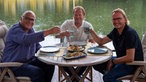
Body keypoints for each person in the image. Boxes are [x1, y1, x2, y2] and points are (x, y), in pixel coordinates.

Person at [2, 10, 60, 82]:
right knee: (37, 72)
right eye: (27, 18)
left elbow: (36, 45)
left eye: (32, 19)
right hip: (14, 66)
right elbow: (26, 39)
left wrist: (49, 53)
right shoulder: (15, 30)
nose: (29, 21)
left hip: (29, 61)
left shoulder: (30, 29)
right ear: (21, 19)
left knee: (49, 64)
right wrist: (49, 31)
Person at [89, 8, 144, 82]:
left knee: (107, 78)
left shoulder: (130, 33)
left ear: (125, 19)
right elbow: (101, 41)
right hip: (121, 60)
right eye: (114, 19)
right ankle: (111, 74)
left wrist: (113, 61)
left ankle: (110, 75)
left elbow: (130, 58)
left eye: (119, 19)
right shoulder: (115, 31)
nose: (116, 21)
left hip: (132, 65)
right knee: (97, 63)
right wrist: (91, 31)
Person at [56, 6, 94, 81]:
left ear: (84, 16)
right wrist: (63, 33)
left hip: (82, 50)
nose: (77, 17)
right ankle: (76, 77)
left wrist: (90, 45)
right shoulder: (67, 23)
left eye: (80, 15)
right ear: (73, 15)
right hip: (68, 49)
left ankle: (73, 77)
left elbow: (91, 41)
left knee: (88, 60)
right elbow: (57, 36)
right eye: (75, 14)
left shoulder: (87, 26)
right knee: (61, 61)